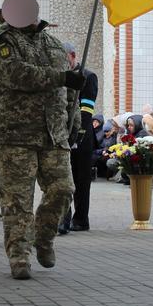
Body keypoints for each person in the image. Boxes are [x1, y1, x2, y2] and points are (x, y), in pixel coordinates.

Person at [0, 0, 84, 280]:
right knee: (17, 201)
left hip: (53, 135)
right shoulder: (2, 41)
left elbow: (67, 92)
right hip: (16, 136)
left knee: (64, 190)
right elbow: (16, 74)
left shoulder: (53, 44)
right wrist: (62, 78)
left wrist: (73, 121)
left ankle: (43, 237)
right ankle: (19, 256)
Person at [59, 42, 99, 234]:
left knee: (81, 180)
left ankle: (81, 219)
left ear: (73, 56)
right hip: (62, 134)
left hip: (81, 137)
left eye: (64, 57)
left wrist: (78, 135)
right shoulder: (62, 77)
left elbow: (86, 110)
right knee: (62, 178)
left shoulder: (88, 77)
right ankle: (63, 218)